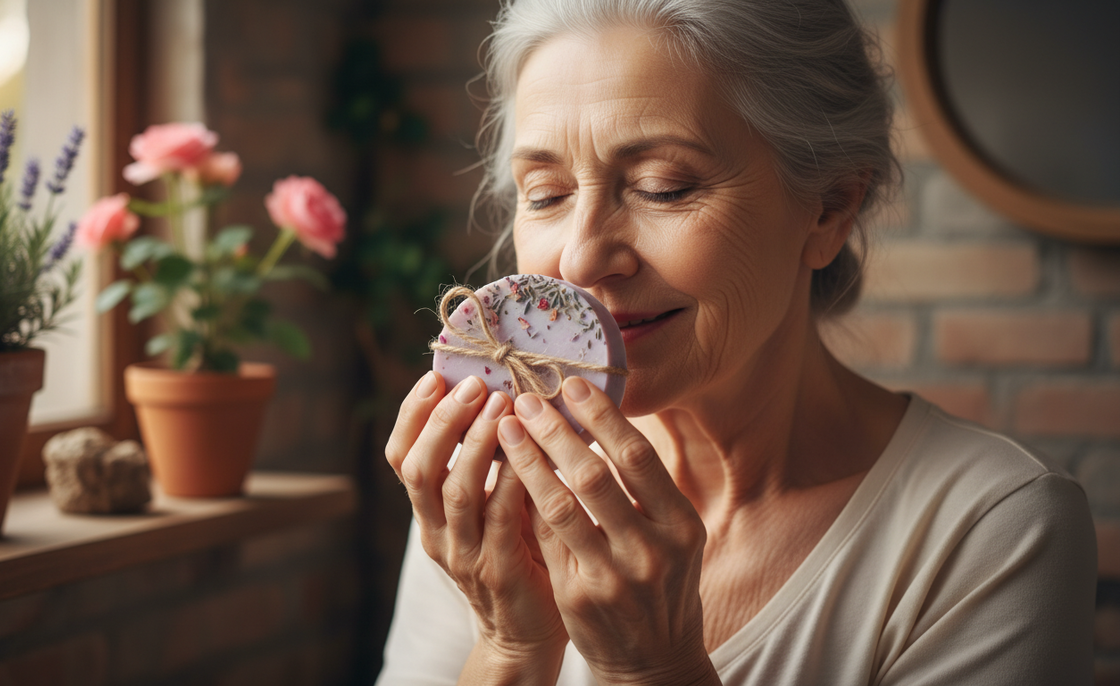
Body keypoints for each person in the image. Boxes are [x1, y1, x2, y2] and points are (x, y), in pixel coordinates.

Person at [377, 0, 1097, 683]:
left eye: (663, 187)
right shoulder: (497, 483)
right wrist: (508, 645)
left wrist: (655, 672)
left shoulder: (994, 530)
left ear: (829, 208)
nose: (581, 258)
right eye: (546, 195)